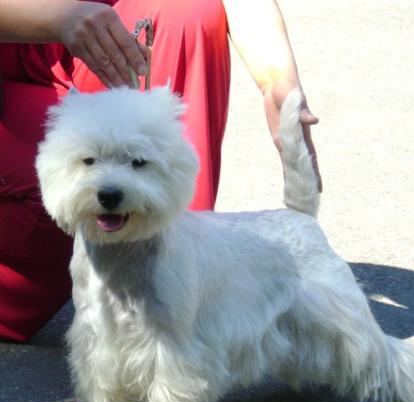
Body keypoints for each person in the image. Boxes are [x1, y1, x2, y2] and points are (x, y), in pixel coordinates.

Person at [0, 0, 321, 342]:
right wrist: (57, 18)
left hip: (92, 42)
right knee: (72, 187)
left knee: (187, 10)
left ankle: (174, 291)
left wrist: (278, 83)